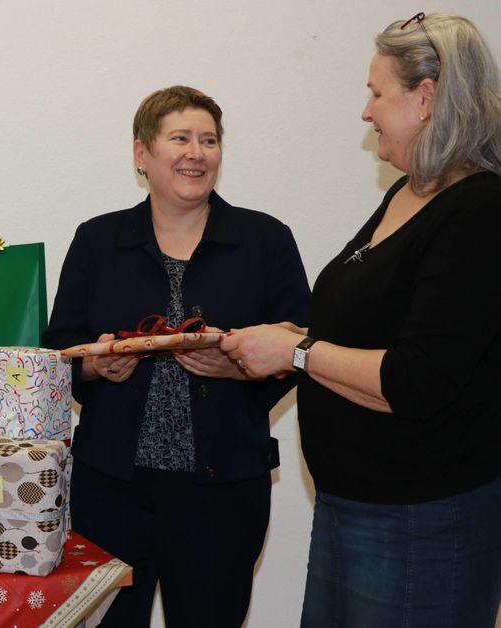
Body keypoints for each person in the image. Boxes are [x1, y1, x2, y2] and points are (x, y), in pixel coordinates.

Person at [221, 13, 501, 627]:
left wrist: (296, 354)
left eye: (377, 93)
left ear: (425, 98)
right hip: (353, 506)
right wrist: (288, 341)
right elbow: (366, 332)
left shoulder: (479, 212)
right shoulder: (407, 193)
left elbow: (416, 380)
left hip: (423, 519)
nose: (367, 112)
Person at [42, 85, 310, 628]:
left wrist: (239, 370)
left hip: (224, 491)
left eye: (209, 140)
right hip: (112, 489)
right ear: (142, 154)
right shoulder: (96, 240)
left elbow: (302, 346)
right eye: (180, 138)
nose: (197, 152)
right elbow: (58, 353)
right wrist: (95, 367)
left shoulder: (265, 241)